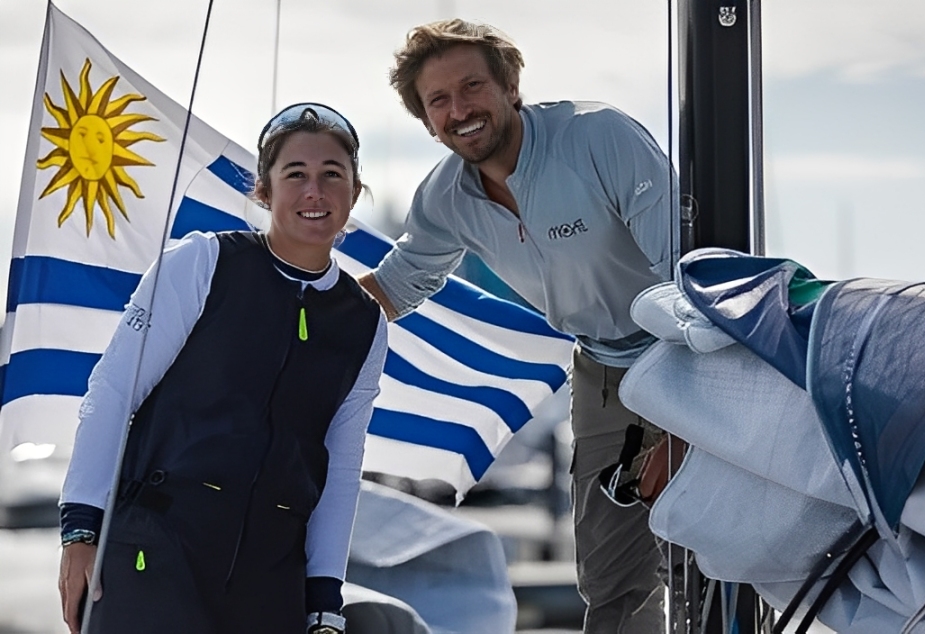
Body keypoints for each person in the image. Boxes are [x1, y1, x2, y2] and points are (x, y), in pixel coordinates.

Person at [358, 20, 678, 633]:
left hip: (683, 354)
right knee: (611, 580)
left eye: (473, 86)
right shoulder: (445, 199)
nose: (460, 110)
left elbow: (681, 283)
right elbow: (395, 287)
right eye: (439, 101)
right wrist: (282, 316)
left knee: (710, 553)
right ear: (426, 121)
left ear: (510, 86)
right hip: (600, 367)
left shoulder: (598, 137)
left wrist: (684, 423)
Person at [57, 103, 387, 634]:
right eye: (295, 174)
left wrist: (325, 599)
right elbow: (113, 393)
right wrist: (80, 531)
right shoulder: (203, 264)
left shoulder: (364, 323)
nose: (314, 192)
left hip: (271, 579)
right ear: (264, 189)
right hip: (156, 553)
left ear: (354, 190)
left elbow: (340, 467)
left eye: (332, 175)